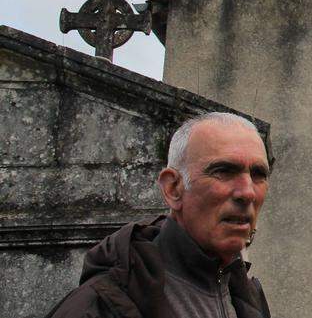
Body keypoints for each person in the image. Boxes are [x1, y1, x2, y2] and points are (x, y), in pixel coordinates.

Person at [46, 112, 272, 318]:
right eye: (224, 171)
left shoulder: (246, 296)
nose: (248, 192)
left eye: (258, 174)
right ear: (173, 188)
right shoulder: (98, 307)